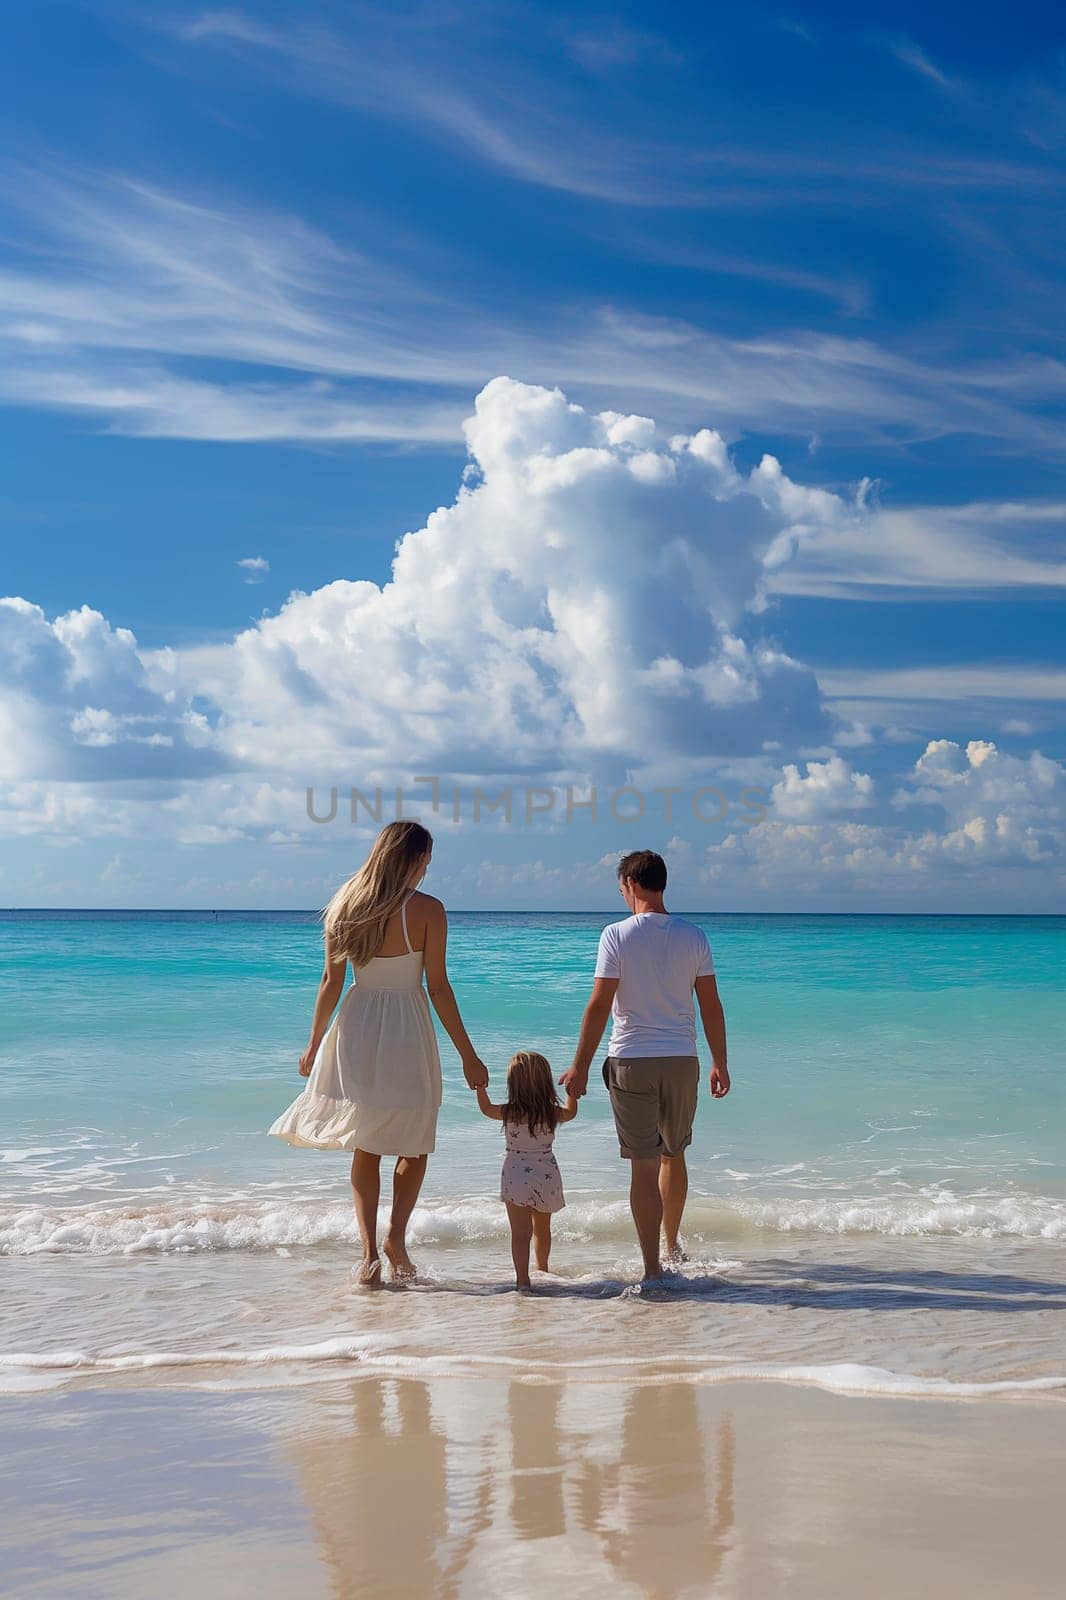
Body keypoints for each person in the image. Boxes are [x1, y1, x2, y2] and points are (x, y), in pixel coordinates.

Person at [269, 819, 488, 1286]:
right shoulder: (428, 910)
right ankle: (395, 1240)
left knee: (366, 1143)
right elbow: (439, 987)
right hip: (407, 1026)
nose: (428, 869)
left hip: (357, 1024)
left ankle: (368, 1253)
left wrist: (313, 1043)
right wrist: (469, 1054)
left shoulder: (346, 904)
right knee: (416, 1138)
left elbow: (331, 982)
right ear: (412, 858)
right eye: (426, 859)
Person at [560, 850, 729, 1281]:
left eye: (621, 888)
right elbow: (710, 1006)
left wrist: (578, 1066)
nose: (621, 895)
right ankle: (672, 1246)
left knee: (643, 1165)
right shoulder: (694, 936)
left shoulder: (616, 935)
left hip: (632, 1059)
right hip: (681, 1061)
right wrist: (720, 1062)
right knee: (674, 1155)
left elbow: (600, 1004)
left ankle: (652, 1268)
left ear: (632, 884)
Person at [476, 1050, 578, 1290]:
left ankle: (523, 1279)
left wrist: (480, 1087)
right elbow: (571, 1112)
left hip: (516, 1174)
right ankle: (543, 1270)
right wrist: (572, 1091)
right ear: (546, 1083)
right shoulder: (550, 1112)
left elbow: (486, 1108)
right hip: (546, 1173)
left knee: (520, 1233)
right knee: (542, 1230)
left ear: (512, 1084)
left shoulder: (509, 1111)